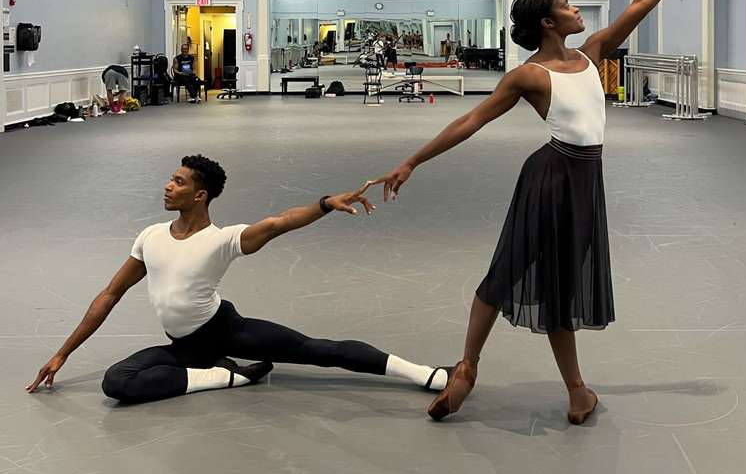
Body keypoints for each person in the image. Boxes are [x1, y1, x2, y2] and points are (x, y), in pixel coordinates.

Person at [377, 0, 734, 424]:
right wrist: (412, 160)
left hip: (580, 181)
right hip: (554, 177)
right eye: (568, 5)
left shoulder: (593, 53)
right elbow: (470, 120)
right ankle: (522, 380)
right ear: (549, 23)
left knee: (543, 281)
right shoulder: (529, 75)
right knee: (528, 277)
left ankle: (502, 375)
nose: (576, 10)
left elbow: (643, 3)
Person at [27, 155, 451, 404]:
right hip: (185, 348)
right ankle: (230, 376)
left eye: (178, 181)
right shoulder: (150, 237)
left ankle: (428, 375)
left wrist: (324, 203)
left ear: (200, 195)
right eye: (170, 178)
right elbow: (110, 294)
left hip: (228, 333)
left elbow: (279, 222)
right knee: (116, 382)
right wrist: (63, 353)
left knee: (320, 350)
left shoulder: (223, 239)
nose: (167, 186)